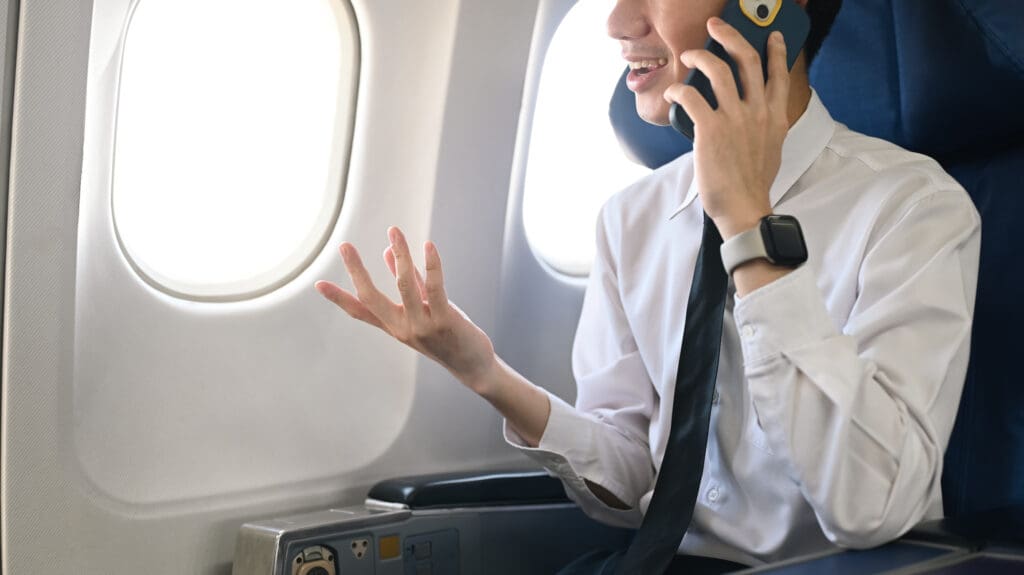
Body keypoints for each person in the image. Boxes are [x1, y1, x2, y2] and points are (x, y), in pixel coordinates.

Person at [315, 0, 981, 572]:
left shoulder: (913, 208)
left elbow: (868, 507)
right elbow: (635, 472)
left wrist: (747, 224)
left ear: (764, 9)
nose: (615, 21)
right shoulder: (632, 218)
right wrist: (486, 373)